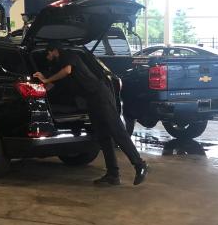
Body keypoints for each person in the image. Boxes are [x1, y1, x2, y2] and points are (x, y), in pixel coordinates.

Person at [33, 42, 148, 186]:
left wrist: (47, 79)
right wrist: (40, 82)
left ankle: (140, 165)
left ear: (54, 50)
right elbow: (52, 85)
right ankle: (113, 174)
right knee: (102, 135)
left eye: (47, 55)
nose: (47, 58)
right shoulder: (58, 66)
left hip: (100, 95)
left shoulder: (69, 55)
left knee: (117, 131)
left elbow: (67, 71)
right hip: (90, 100)